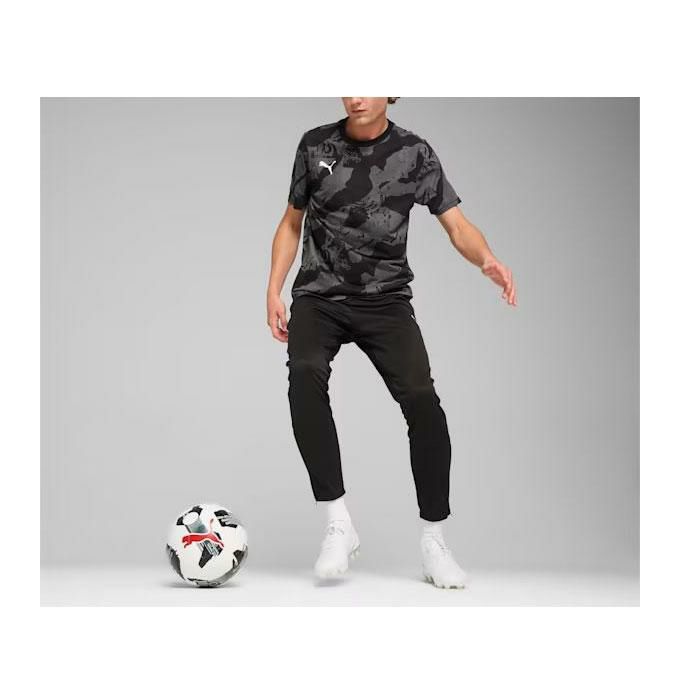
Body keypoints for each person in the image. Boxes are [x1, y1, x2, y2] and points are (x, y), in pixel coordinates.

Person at [266, 97, 516, 588]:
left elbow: (457, 225)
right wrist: (273, 289)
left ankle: (434, 540)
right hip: (320, 295)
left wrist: (487, 259)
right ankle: (338, 522)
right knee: (305, 372)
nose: (355, 96)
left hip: (385, 301)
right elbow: (292, 222)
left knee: (422, 399)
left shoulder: (414, 153)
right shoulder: (315, 145)